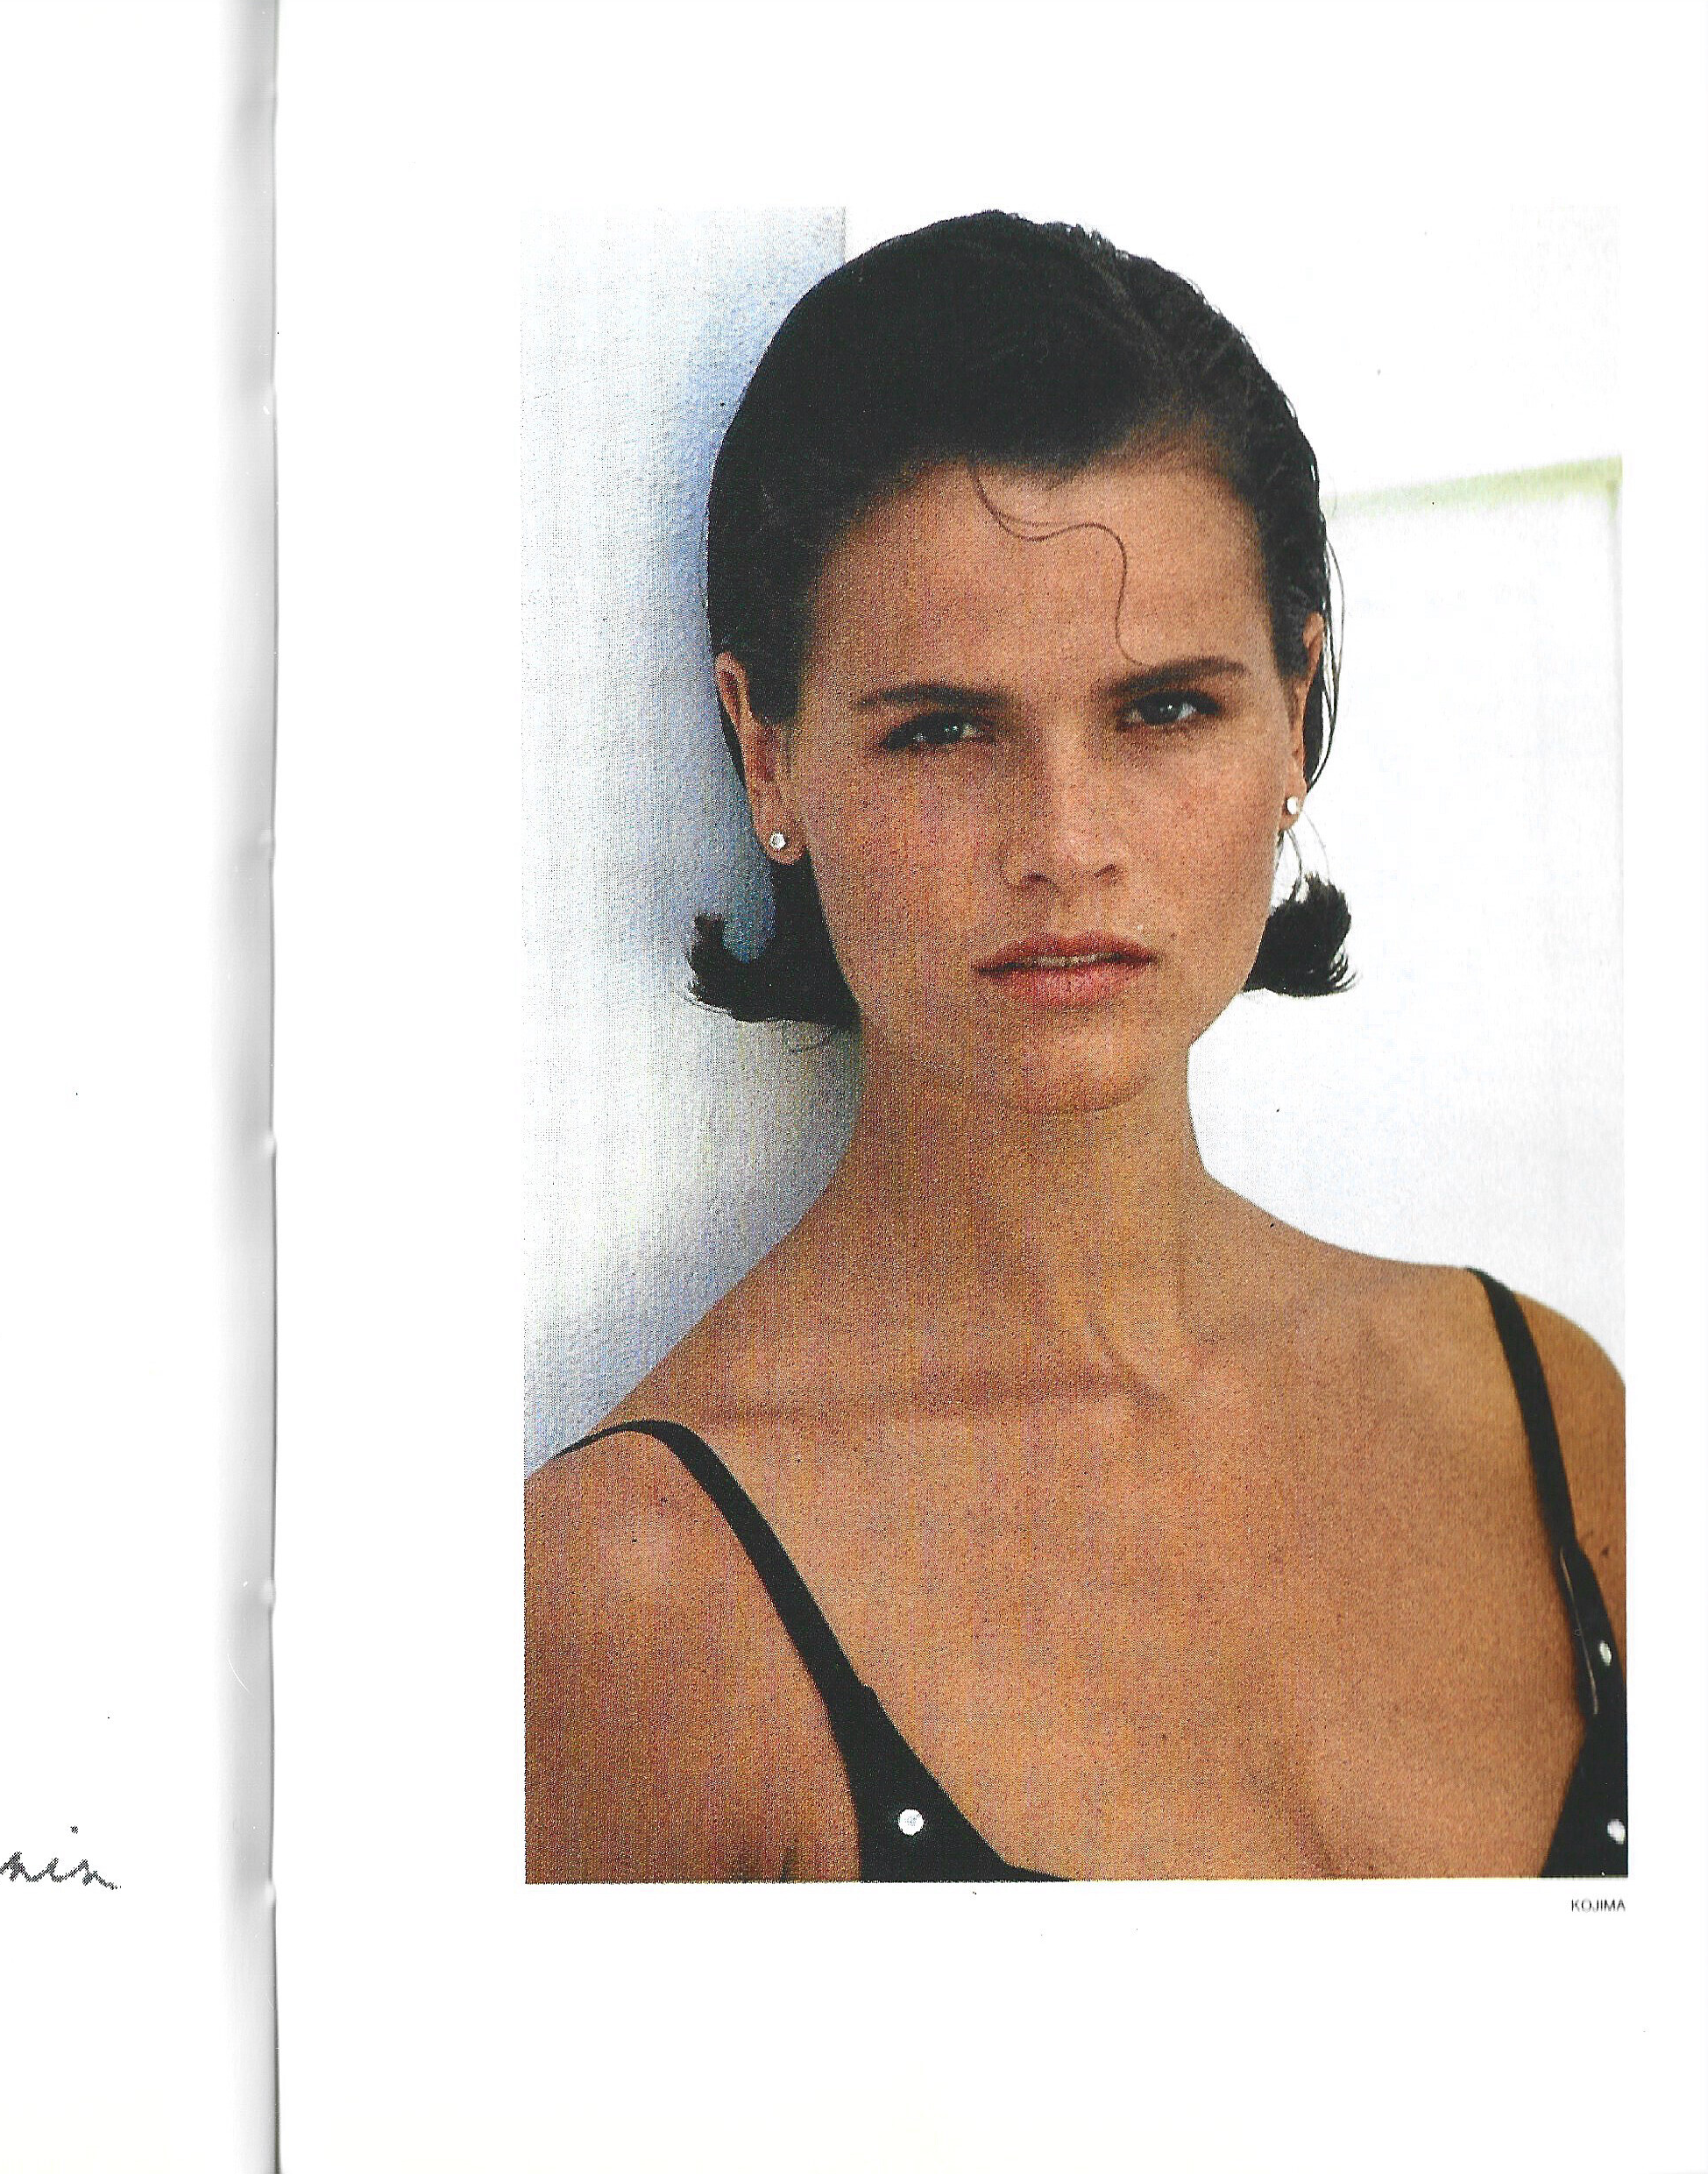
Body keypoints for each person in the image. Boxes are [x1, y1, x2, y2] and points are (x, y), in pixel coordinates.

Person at [523, 213, 1626, 1882]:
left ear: (1298, 706)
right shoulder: (630, 1591)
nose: (1065, 843)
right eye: (943, 730)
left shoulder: (1553, 1412)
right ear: (767, 754)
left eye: (1164, 708)